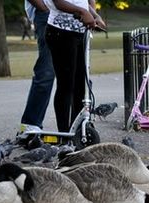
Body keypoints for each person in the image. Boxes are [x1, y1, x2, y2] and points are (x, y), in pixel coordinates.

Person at [44, 0, 105, 133]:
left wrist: (95, 15)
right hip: (61, 33)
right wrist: (83, 12)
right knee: (66, 86)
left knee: (79, 87)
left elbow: (81, 2)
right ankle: (64, 134)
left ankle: (77, 130)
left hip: (79, 34)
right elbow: (58, 3)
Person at [19, 0, 56, 133]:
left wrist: (90, 9)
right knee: (47, 70)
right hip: (49, 13)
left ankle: (77, 123)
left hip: (76, 15)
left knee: (77, 72)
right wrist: (45, 8)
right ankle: (30, 123)